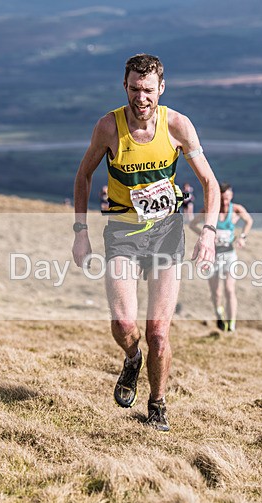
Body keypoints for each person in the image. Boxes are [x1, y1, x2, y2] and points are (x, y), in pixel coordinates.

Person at [71, 53, 220, 432]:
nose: (141, 98)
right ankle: (131, 357)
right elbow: (83, 177)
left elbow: (210, 184)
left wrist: (209, 233)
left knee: (158, 331)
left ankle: (157, 404)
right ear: (125, 87)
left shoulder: (177, 126)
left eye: (148, 90)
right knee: (124, 325)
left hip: (166, 233)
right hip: (121, 233)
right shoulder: (108, 127)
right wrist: (80, 232)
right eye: (135, 89)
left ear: (162, 89)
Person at [189, 182, 253, 333]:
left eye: (227, 199)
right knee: (216, 292)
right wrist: (206, 236)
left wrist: (243, 237)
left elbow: (249, 220)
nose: (225, 202)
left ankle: (231, 325)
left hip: (230, 255)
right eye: (222, 199)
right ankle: (219, 314)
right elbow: (192, 224)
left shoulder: (236, 209)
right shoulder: (210, 211)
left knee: (230, 289)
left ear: (231, 197)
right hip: (213, 257)